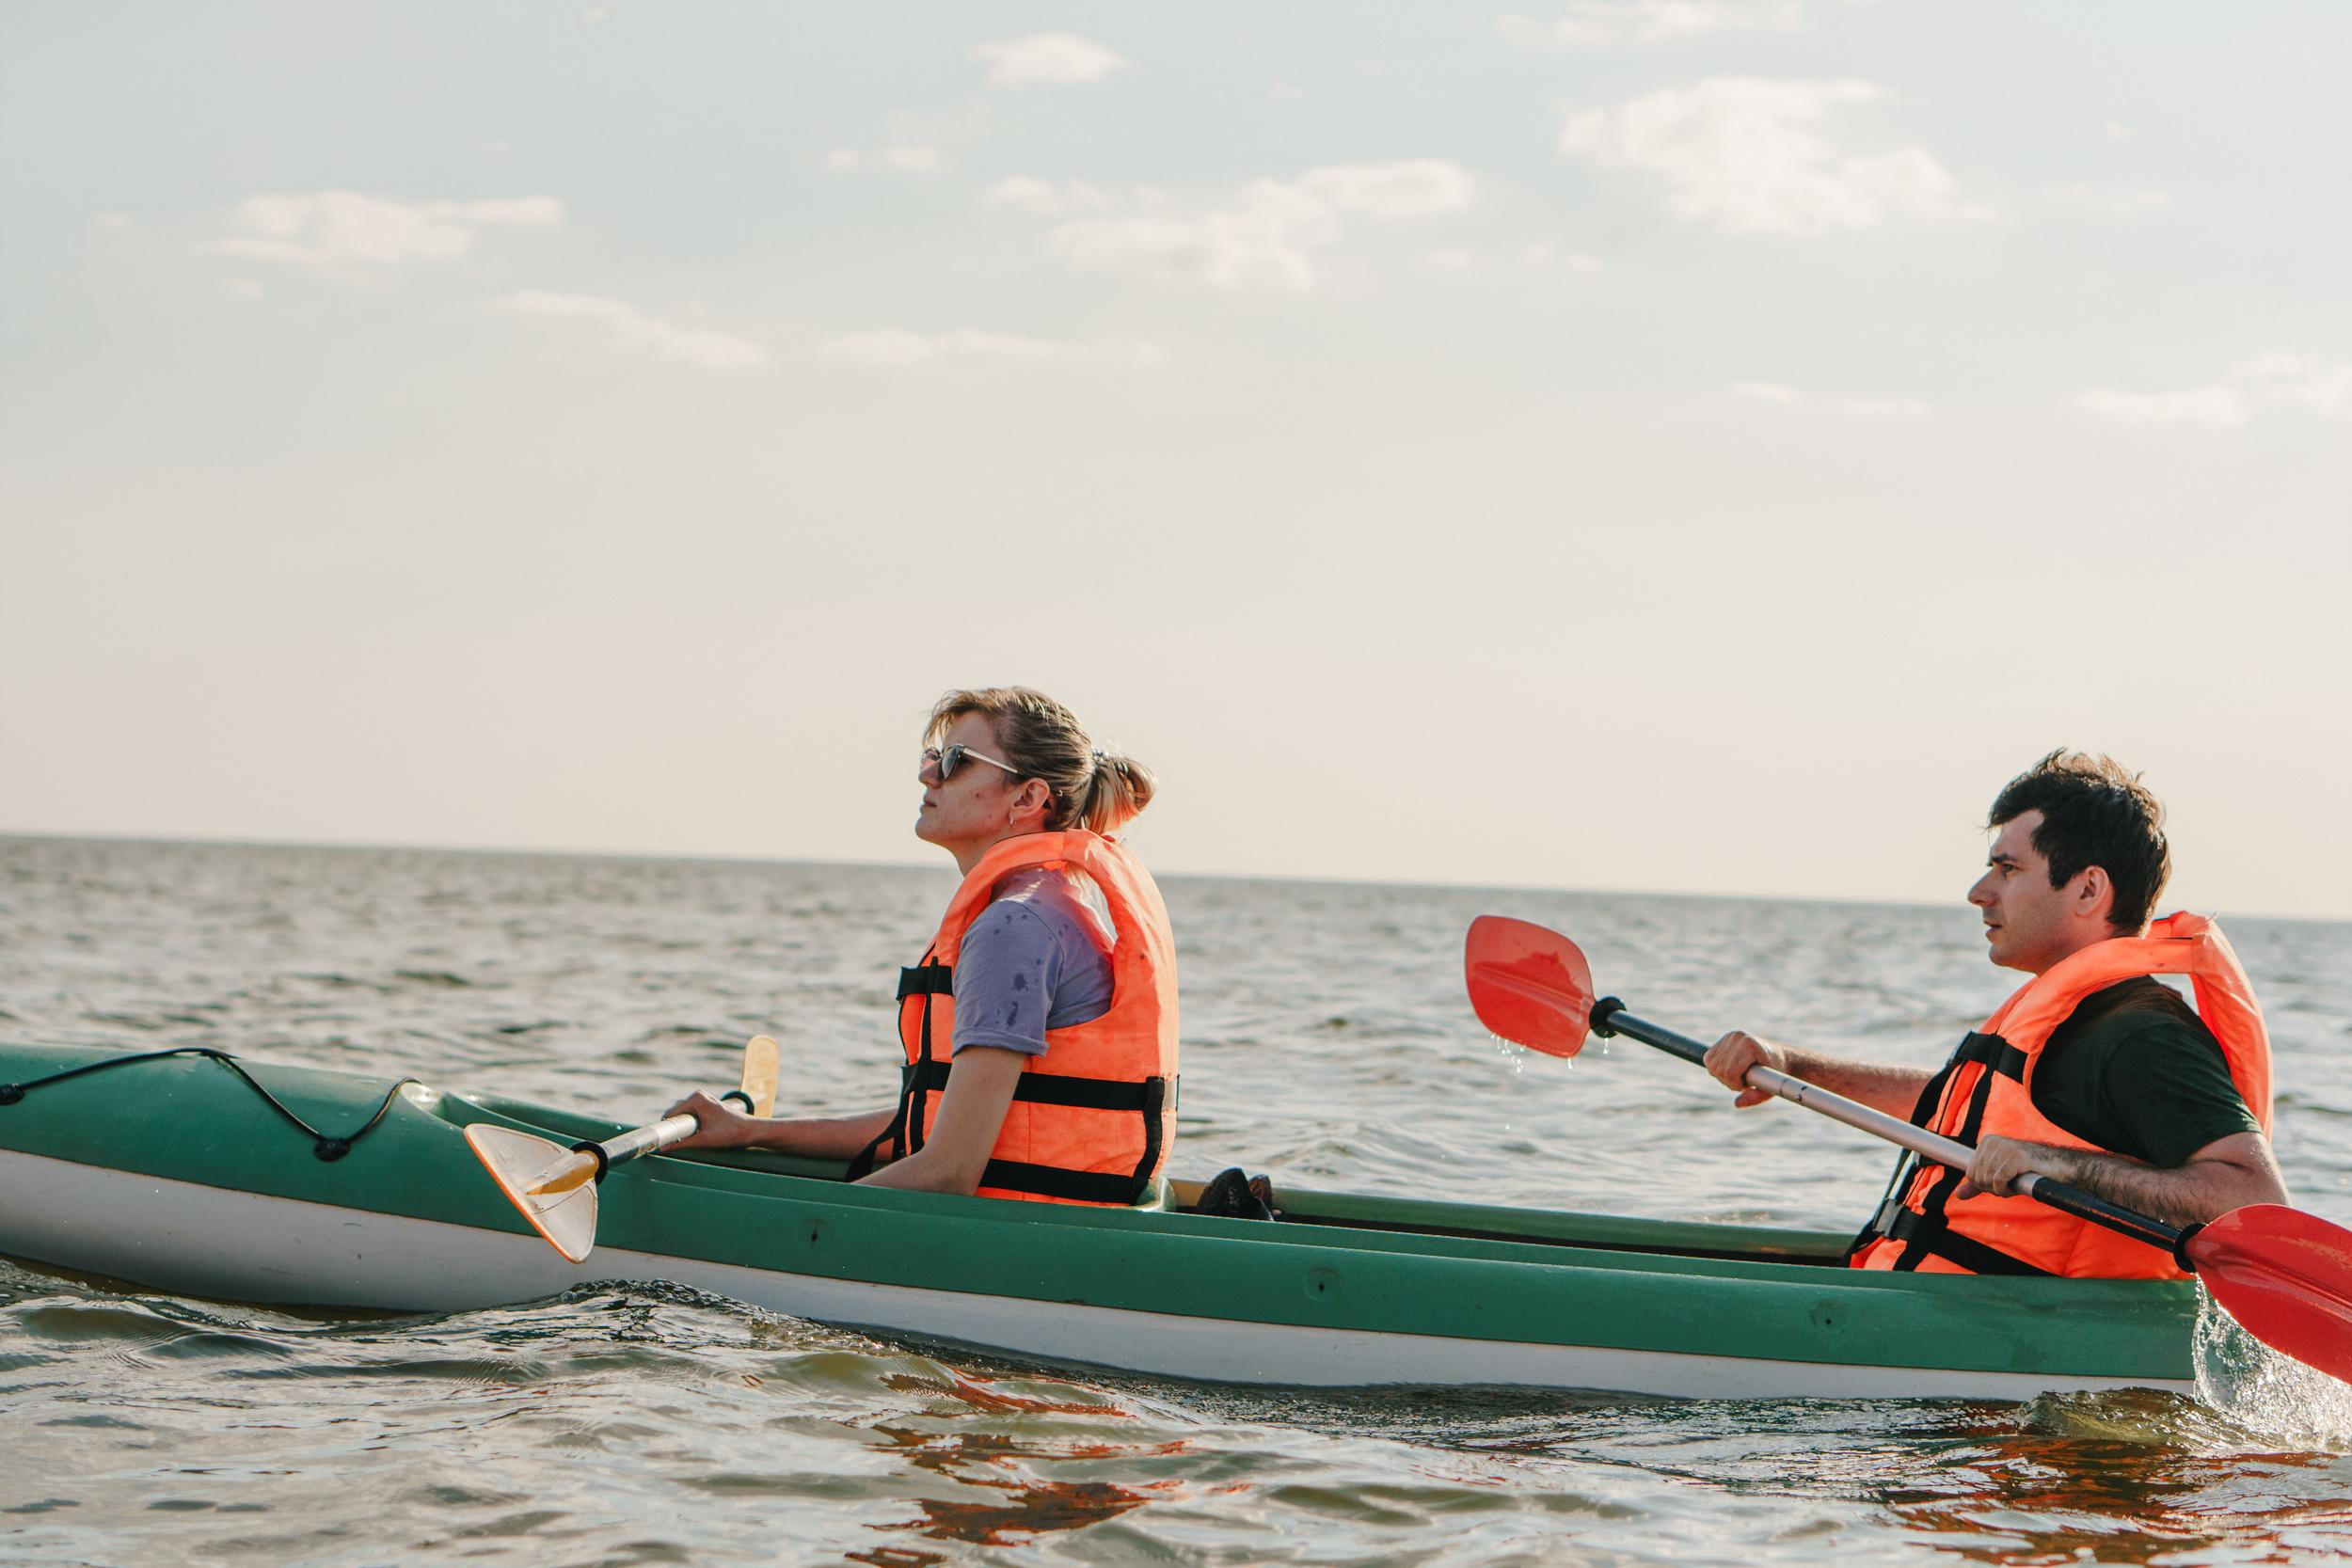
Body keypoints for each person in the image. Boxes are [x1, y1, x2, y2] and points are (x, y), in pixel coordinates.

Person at [1703, 750, 2286, 1277]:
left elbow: (2253, 1199)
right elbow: (1955, 1113)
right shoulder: (2072, 1018)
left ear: (2087, 891)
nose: (1979, 891)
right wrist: (1790, 1067)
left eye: (2008, 869)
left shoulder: (2142, 1034)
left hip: (2020, 1349)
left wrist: (2057, 1165)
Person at [666, 687, 1178, 1204]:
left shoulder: (1014, 928)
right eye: (934, 756)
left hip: (1020, 1242)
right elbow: (931, 1124)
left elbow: (947, 1171)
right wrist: (751, 1132)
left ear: (1027, 798)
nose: (927, 774)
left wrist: (785, 1226)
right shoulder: (1046, 904)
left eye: (956, 761)